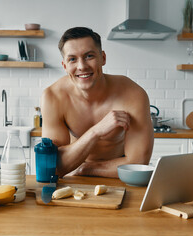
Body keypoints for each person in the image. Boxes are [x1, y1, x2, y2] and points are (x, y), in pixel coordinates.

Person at [40, 27, 153, 178]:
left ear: (103, 58)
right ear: (65, 66)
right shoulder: (53, 97)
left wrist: (85, 168)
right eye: (72, 59)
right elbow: (52, 164)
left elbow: (137, 163)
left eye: (89, 56)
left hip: (118, 178)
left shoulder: (132, 94)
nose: (82, 66)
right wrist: (96, 131)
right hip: (75, 179)